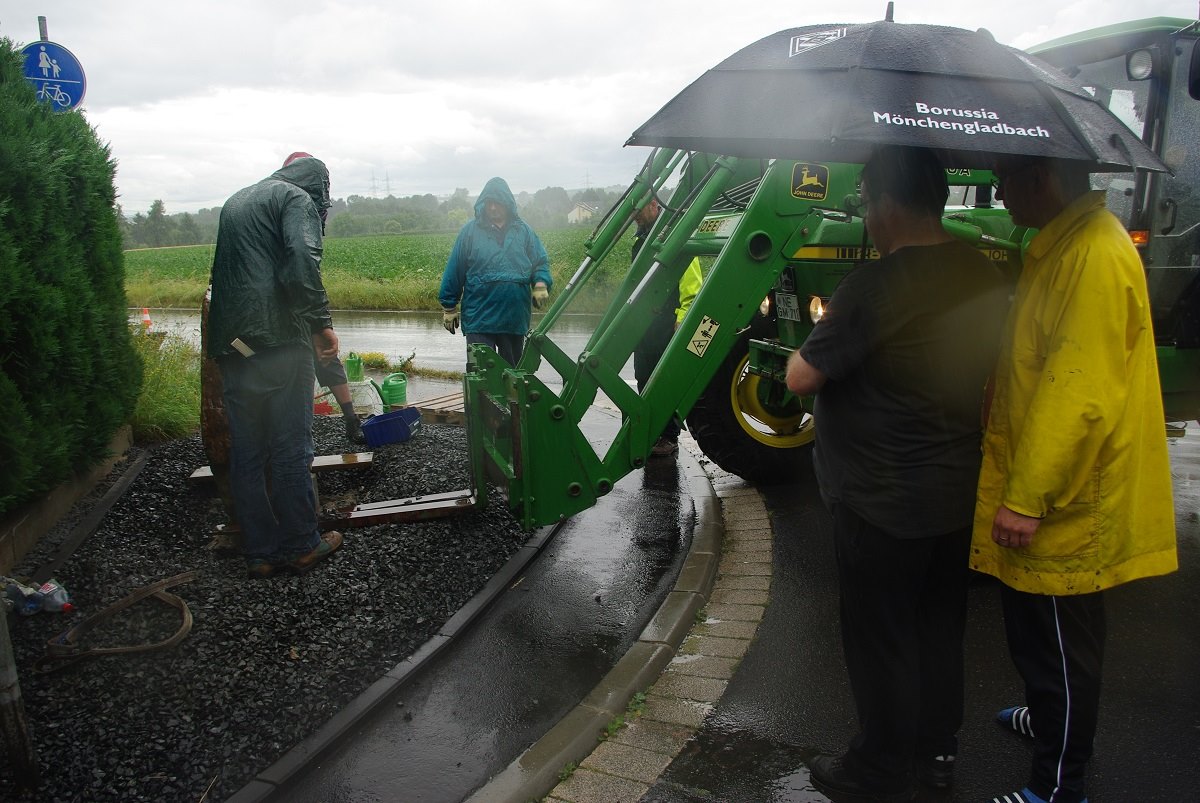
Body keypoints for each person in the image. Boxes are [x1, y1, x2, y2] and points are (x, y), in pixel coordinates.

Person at [785, 146, 1010, 801]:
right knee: (940, 624)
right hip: (954, 488)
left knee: (880, 633)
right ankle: (937, 748)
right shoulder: (981, 272)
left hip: (879, 497)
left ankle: (879, 765)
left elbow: (802, 375)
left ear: (884, 204)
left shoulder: (875, 284)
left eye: (863, 201)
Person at [975, 156, 1178, 803]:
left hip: (1067, 499)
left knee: (1063, 644)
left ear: (1046, 179)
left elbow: (1078, 395)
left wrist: (1028, 496)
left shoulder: (1089, 254)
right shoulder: (1059, 246)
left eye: (1007, 178)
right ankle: (1047, 717)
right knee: (1036, 632)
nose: (1000, 192)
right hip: (1052, 487)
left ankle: (1058, 786)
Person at [208, 154, 344, 579]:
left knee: (248, 453)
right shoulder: (296, 198)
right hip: (279, 341)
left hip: (233, 345)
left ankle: (260, 553)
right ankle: (303, 545)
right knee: (290, 449)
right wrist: (321, 325)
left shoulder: (238, 200)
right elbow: (301, 257)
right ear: (318, 186)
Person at [282, 151, 365, 445]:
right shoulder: (284, 202)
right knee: (297, 366)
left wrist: (318, 317)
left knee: (329, 360)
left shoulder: (313, 207)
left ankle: (351, 420)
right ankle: (297, 433)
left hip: (305, 296)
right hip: (283, 305)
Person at [438, 177, 552, 367]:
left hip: (513, 318)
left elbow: (540, 262)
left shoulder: (524, 232)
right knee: (480, 374)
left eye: (497, 203)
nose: (492, 208)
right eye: (488, 203)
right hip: (479, 318)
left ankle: (514, 398)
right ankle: (481, 398)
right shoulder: (469, 232)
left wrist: (541, 283)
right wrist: (449, 307)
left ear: (507, 203)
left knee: (514, 374)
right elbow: (455, 268)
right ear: (483, 204)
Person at [631, 196, 703, 459]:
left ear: (654, 204)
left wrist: (682, 317)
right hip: (644, 325)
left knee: (664, 381)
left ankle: (668, 436)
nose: (635, 216)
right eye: (633, 212)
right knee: (643, 376)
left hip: (667, 322)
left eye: (639, 210)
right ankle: (651, 431)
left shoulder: (676, 237)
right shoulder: (640, 242)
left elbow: (692, 284)